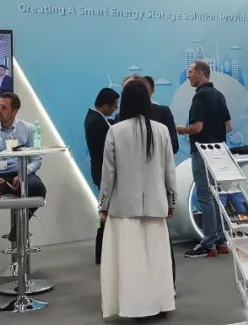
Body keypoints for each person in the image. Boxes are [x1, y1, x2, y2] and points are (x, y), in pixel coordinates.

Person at [99, 81, 177, 319]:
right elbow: (169, 171)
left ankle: (133, 307)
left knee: (129, 261)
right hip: (155, 205)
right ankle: (161, 303)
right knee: (157, 260)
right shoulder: (161, 131)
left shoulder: (115, 131)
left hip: (124, 209)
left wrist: (103, 205)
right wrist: (172, 201)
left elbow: (108, 175)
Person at [0, 92, 48, 283]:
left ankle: (20, 226)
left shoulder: (28, 129)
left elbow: (36, 159)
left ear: (14, 111)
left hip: (22, 174)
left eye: (3, 107)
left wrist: (22, 174)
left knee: (39, 188)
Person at [176, 61, 232, 258]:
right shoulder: (219, 95)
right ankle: (221, 240)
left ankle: (208, 243)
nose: (188, 76)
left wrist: (180, 129)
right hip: (220, 152)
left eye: (190, 72)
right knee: (216, 196)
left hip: (202, 151)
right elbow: (229, 126)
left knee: (205, 196)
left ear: (201, 73)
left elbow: (197, 127)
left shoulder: (200, 96)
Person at [86, 87, 119, 265]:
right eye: (114, 106)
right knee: (106, 213)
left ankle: (104, 251)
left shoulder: (96, 118)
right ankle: (102, 252)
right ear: (105, 105)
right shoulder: (96, 122)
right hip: (103, 172)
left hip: (100, 170)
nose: (115, 109)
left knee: (107, 212)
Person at [142, 75, 180, 155]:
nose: (141, 92)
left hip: (158, 159)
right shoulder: (125, 115)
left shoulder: (163, 112)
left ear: (152, 90)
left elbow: (174, 146)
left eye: (145, 88)